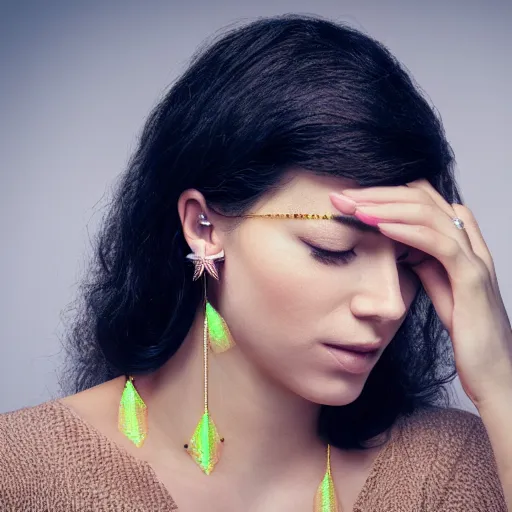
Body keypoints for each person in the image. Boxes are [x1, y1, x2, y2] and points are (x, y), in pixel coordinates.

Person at [1, 13, 510, 512]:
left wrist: (500, 384)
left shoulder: (450, 470)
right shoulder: (21, 473)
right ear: (204, 227)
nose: (389, 303)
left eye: (409, 261)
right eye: (332, 249)